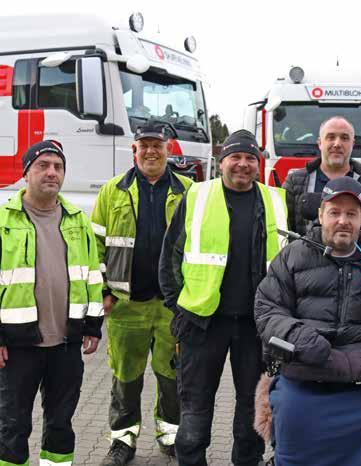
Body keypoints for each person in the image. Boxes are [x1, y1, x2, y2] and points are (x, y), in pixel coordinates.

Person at [254, 176, 361, 466]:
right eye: (334, 212)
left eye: (351, 214)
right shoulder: (292, 256)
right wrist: (297, 335)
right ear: (321, 215)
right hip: (308, 372)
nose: (342, 221)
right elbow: (267, 308)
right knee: (293, 416)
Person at [0, 140, 104, 466]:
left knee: (61, 424)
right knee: (14, 426)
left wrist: (93, 325)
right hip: (17, 347)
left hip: (66, 345)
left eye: (58, 167)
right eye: (43, 165)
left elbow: (92, 277)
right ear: (25, 173)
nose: (51, 172)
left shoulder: (78, 221)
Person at [159, 129, 288, 466]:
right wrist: (179, 307)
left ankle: (247, 461)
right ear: (221, 162)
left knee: (252, 406)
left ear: (257, 164)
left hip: (256, 327)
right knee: (195, 409)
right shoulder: (197, 196)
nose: (243, 164)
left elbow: (290, 264)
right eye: (236, 157)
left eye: (250, 158)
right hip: (203, 325)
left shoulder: (276, 200)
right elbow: (170, 258)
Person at [91, 121, 193, 466]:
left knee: (172, 375)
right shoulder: (111, 192)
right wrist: (102, 291)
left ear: (168, 149)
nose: (151, 151)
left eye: (157, 145)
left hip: (172, 307)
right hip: (126, 306)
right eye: (144, 145)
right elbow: (96, 246)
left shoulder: (189, 191)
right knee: (126, 377)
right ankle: (122, 441)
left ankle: (171, 435)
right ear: (134, 149)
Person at [282, 116, 361, 235]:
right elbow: (285, 230)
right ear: (320, 143)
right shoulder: (295, 181)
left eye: (344, 138)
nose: (337, 144)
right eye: (331, 137)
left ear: (353, 143)